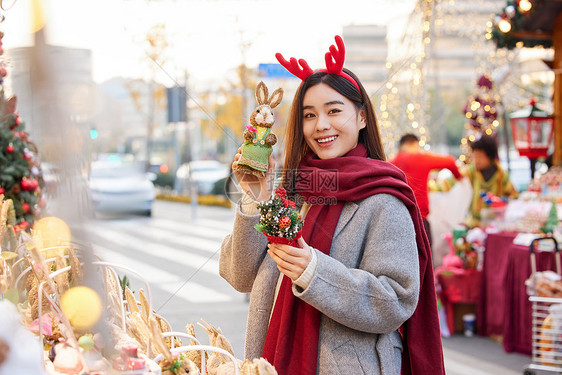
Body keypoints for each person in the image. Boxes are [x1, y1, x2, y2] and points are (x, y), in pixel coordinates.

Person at [220, 35, 445, 375]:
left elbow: (397, 299)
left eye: (334, 111)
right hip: (270, 362)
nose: (321, 125)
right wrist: (256, 197)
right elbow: (239, 276)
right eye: (309, 115)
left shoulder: (384, 198)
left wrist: (315, 272)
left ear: (362, 117)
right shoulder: (293, 191)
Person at [390, 133, 463, 247]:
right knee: (425, 260)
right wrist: (459, 177)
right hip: (420, 219)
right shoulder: (421, 158)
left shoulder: (391, 163)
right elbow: (450, 161)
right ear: (415, 144)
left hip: (396, 220)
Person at [463, 134, 518, 228]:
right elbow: (453, 181)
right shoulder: (470, 172)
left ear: (490, 157)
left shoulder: (500, 175)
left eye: (480, 157)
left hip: (495, 225)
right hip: (473, 224)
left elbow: (513, 196)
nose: (476, 160)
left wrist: (503, 201)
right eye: (475, 157)